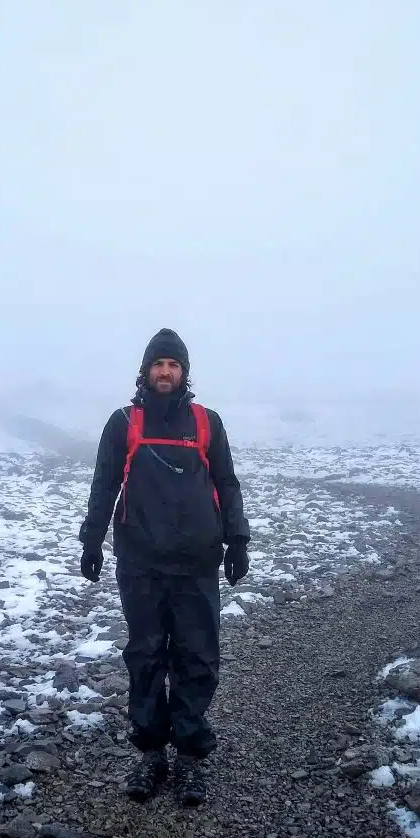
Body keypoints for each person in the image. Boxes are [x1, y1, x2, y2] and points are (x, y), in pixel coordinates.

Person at [77, 328, 251, 806]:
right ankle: (151, 753)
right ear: (145, 370)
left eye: (174, 365)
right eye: (159, 364)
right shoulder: (123, 422)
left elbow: (227, 483)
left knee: (197, 657)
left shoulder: (206, 422)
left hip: (197, 561)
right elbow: (104, 484)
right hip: (141, 562)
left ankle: (190, 755)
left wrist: (238, 540)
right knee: (147, 657)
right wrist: (91, 540)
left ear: (184, 372)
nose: (165, 372)